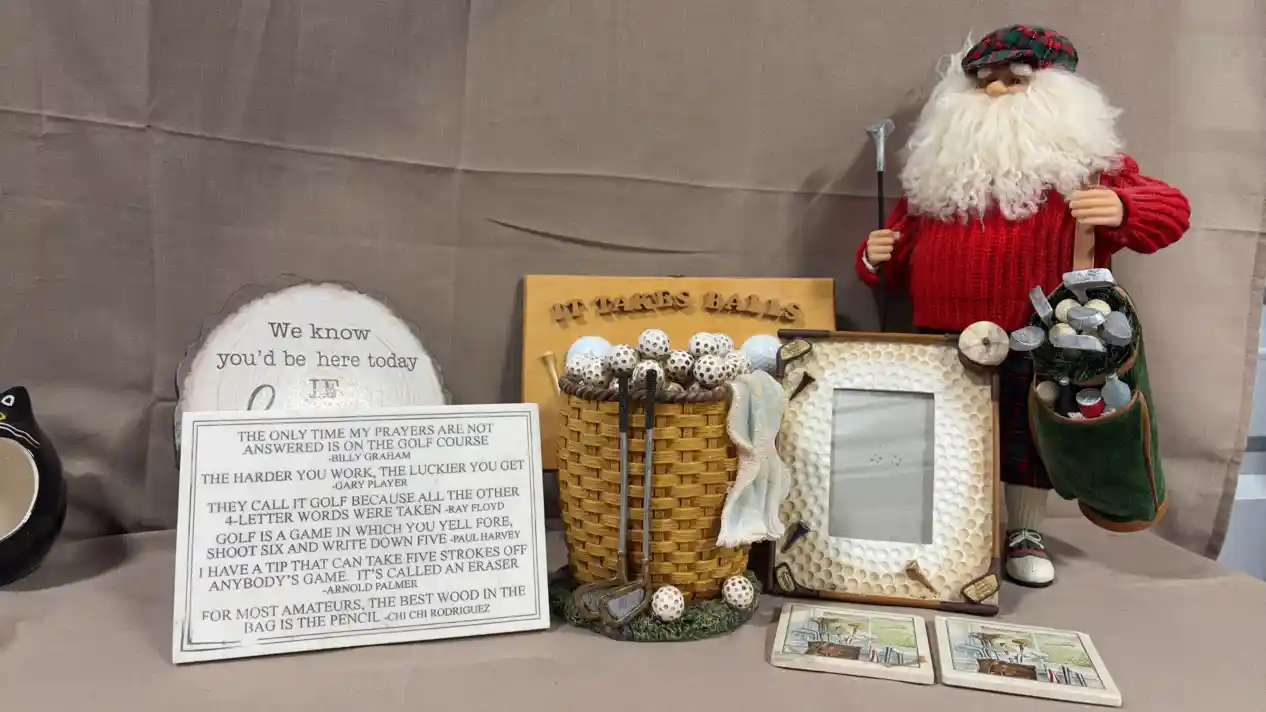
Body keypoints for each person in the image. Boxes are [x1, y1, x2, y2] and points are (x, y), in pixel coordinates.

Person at [856, 25, 1190, 587]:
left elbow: (1171, 211)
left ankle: (1024, 531)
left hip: (1038, 331)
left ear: (1057, 94)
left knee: (1026, 440)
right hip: (941, 335)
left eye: (1014, 80)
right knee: (943, 439)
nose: (994, 91)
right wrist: (873, 256)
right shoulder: (937, 174)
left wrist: (1124, 207)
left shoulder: (1088, 165)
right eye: (983, 81)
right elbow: (899, 249)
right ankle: (945, 528)